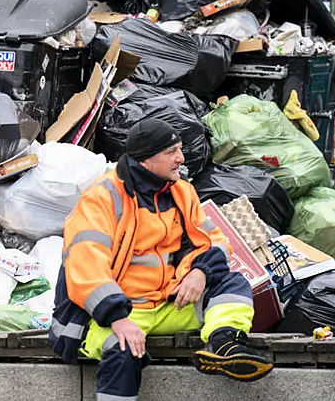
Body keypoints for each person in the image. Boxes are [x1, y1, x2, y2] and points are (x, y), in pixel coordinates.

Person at [49, 119, 272, 400]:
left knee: (231, 282)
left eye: (180, 149)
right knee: (124, 352)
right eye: (171, 152)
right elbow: (84, 266)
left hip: (167, 303)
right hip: (109, 315)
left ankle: (225, 343)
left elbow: (214, 240)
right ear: (145, 160)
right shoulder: (101, 197)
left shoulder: (180, 190)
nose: (181, 158)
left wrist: (200, 272)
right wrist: (118, 319)